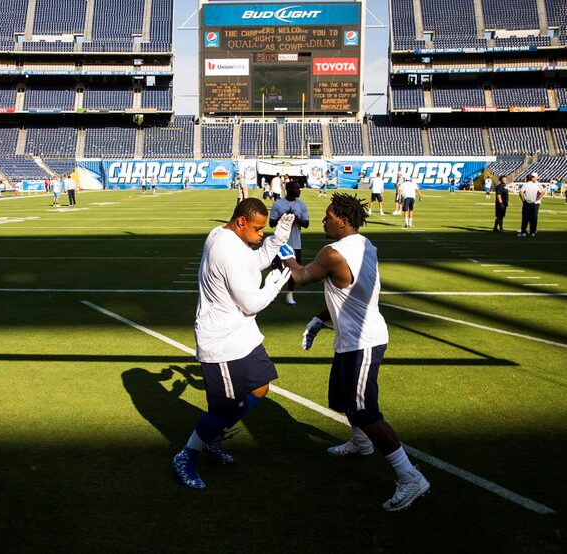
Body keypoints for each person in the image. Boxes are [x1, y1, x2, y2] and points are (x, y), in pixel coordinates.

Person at [282, 192, 430, 511]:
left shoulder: (332, 252)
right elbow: (351, 292)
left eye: (328, 216)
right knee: (342, 398)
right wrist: (322, 318)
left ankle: (409, 477)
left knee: (365, 410)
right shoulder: (365, 244)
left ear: (344, 221)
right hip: (355, 336)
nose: (323, 220)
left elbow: (301, 275)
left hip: (363, 340)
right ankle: (361, 443)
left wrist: (282, 249)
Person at [173, 199, 295, 490]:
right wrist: (276, 283)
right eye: (257, 229)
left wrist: (278, 239)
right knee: (225, 409)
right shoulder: (227, 251)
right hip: (223, 340)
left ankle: (213, 435)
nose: (260, 236)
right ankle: (187, 454)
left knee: (260, 387)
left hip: (244, 335)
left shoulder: (223, 234)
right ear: (241, 222)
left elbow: (255, 260)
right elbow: (252, 303)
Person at [270, 181, 309, 305]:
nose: (299, 190)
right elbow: (271, 223)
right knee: (276, 269)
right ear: (289, 189)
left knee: (294, 270)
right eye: (297, 188)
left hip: (295, 242)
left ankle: (290, 295)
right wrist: (281, 217)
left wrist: (296, 219)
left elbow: (306, 224)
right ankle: (272, 293)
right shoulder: (278, 204)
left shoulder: (302, 205)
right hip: (279, 242)